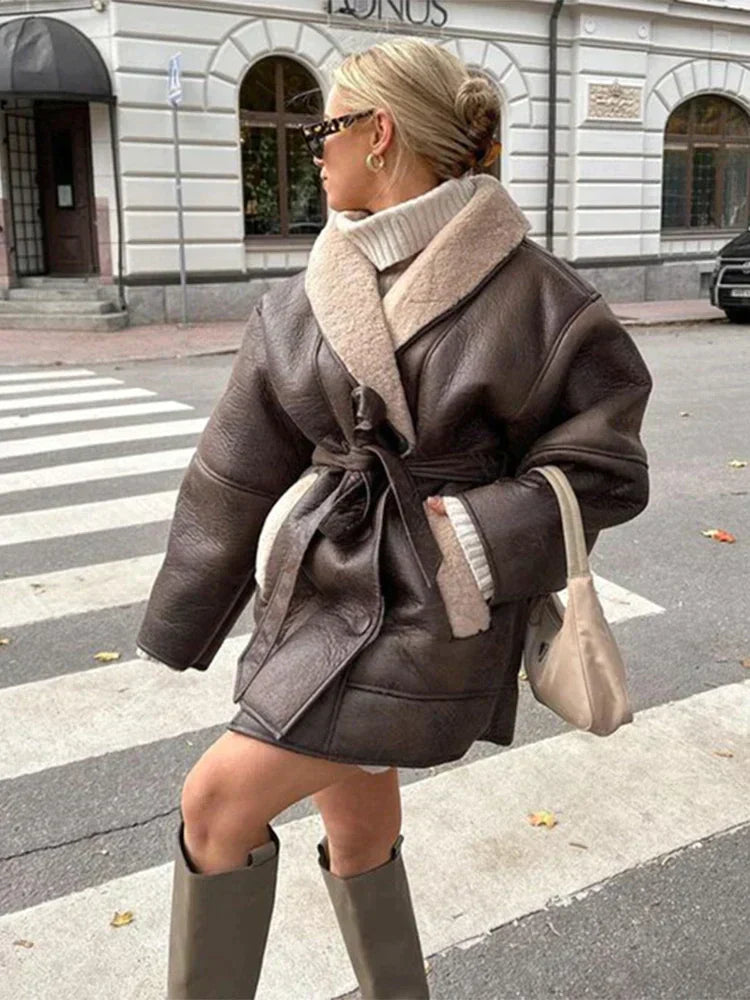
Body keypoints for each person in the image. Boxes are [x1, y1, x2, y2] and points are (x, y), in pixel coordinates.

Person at [136, 36, 653, 1000]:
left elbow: (606, 470)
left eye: (324, 125)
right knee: (358, 823)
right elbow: (234, 471)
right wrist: (180, 617)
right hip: (322, 590)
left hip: (434, 604)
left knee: (214, 806)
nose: (311, 147)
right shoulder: (304, 297)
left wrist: (472, 545)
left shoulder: (545, 301)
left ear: (379, 135)